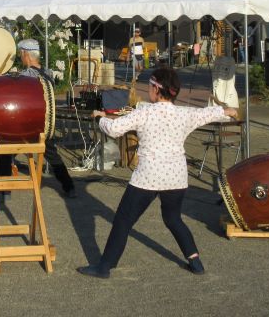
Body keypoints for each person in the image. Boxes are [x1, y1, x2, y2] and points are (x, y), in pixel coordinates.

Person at [78, 66, 238, 278]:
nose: (148, 91)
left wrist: (100, 118)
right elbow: (207, 113)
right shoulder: (184, 113)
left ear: (156, 88)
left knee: (123, 221)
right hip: (176, 177)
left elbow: (114, 129)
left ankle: (104, 266)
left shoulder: (144, 113)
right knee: (173, 219)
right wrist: (227, 111)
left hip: (148, 177)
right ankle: (195, 261)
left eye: (150, 86)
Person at [13, 38, 76, 199]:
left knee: (7, 143)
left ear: (25, 54)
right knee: (52, 154)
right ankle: (69, 187)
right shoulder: (48, 73)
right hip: (46, 123)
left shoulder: (26, 75)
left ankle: (1, 186)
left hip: (29, 124)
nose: (21, 57)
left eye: (21, 54)